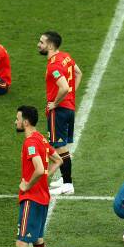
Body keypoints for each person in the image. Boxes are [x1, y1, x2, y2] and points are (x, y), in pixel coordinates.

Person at [0, 106, 62, 247]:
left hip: (31, 198)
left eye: (18, 119)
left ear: (26, 122)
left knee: (22, 243)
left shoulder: (31, 142)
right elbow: (57, 160)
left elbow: (39, 168)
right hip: (43, 198)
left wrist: (28, 184)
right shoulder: (41, 138)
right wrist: (44, 181)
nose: (16, 122)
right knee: (37, 240)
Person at [37, 31, 82, 195]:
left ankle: (68, 184)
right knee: (62, 146)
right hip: (69, 108)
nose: (38, 45)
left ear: (50, 45)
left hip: (60, 110)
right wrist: (71, 95)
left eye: (41, 42)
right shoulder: (66, 56)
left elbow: (63, 87)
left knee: (60, 147)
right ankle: (64, 178)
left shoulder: (54, 65)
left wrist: (55, 103)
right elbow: (78, 73)